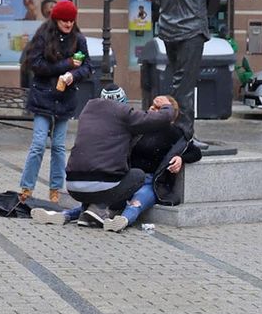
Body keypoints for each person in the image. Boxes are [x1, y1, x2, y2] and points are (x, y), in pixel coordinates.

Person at [32, 95, 182, 232]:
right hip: (121, 180)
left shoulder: (173, 132)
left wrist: (180, 157)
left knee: (137, 201)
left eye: (158, 109)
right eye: (152, 107)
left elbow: (191, 147)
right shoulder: (134, 123)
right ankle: (88, 212)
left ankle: (112, 219)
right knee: (122, 186)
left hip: (145, 182)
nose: (153, 110)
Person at [154, 0, 236, 137]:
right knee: (184, 86)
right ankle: (183, 135)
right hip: (191, 30)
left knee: (178, 81)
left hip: (169, 30)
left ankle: (175, 131)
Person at [18, 0, 93, 204]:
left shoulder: (78, 39)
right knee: (38, 144)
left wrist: (73, 75)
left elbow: (88, 67)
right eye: (64, 21)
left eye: (71, 20)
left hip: (65, 99)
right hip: (43, 96)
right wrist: (66, 65)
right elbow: (36, 65)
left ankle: (55, 189)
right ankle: (26, 188)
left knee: (59, 146)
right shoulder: (43, 36)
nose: (68, 24)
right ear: (56, 20)